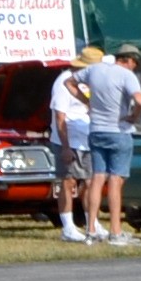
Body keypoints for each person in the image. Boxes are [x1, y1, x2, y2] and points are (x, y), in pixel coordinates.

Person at [85, 43, 141, 245]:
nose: (134, 68)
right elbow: (140, 100)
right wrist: (133, 117)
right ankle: (115, 231)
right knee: (115, 181)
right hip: (118, 131)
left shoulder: (94, 69)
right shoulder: (126, 75)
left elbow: (70, 83)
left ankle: (91, 228)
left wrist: (86, 103)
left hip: (96, 130)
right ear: (129, 60)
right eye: (134, 64)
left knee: (97, 178)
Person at [51, 49, 97, 243]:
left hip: (86, 140)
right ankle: (68, 226)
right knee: (68, 182)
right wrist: (65, 146)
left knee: (89, 182)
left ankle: (91, 222)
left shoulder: (85, 83)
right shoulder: (63, 83)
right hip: (69, 140)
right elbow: (60, 117)